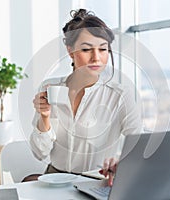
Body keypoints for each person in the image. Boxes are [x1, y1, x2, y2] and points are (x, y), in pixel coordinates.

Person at [28, 8, 142, 186]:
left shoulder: (120, 95)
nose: (96, 58)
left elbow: (138, 148)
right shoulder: (50, 88)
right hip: (54, 179)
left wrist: (120, 162)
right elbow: (40, 153)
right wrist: (44, 117)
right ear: (70, 51)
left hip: (95, 182)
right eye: (87, 49)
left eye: (103, 49)